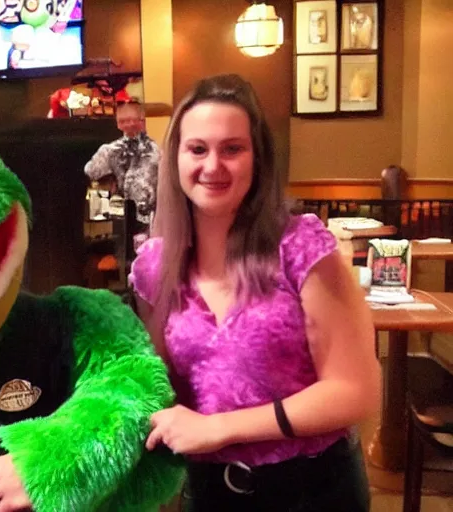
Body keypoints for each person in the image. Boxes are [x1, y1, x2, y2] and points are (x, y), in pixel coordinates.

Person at [130, 74, 380, 511]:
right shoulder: (154, 266)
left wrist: (221, 428)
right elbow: (155, 386)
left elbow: (353, 390)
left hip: (313, 491)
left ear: (257, 158)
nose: (213, 166)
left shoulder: (301, 247)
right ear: (175, 159)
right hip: (209, 492)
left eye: (232, 149)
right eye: (197, 149)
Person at [84, 100, 159, 231]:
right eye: (123, 121)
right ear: (118, 124)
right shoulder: (110, 150)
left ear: (142, 120)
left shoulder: (157, 152)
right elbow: (91, 171)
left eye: (131, 120)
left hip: (151, 217)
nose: (128, 124)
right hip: (120, 216)